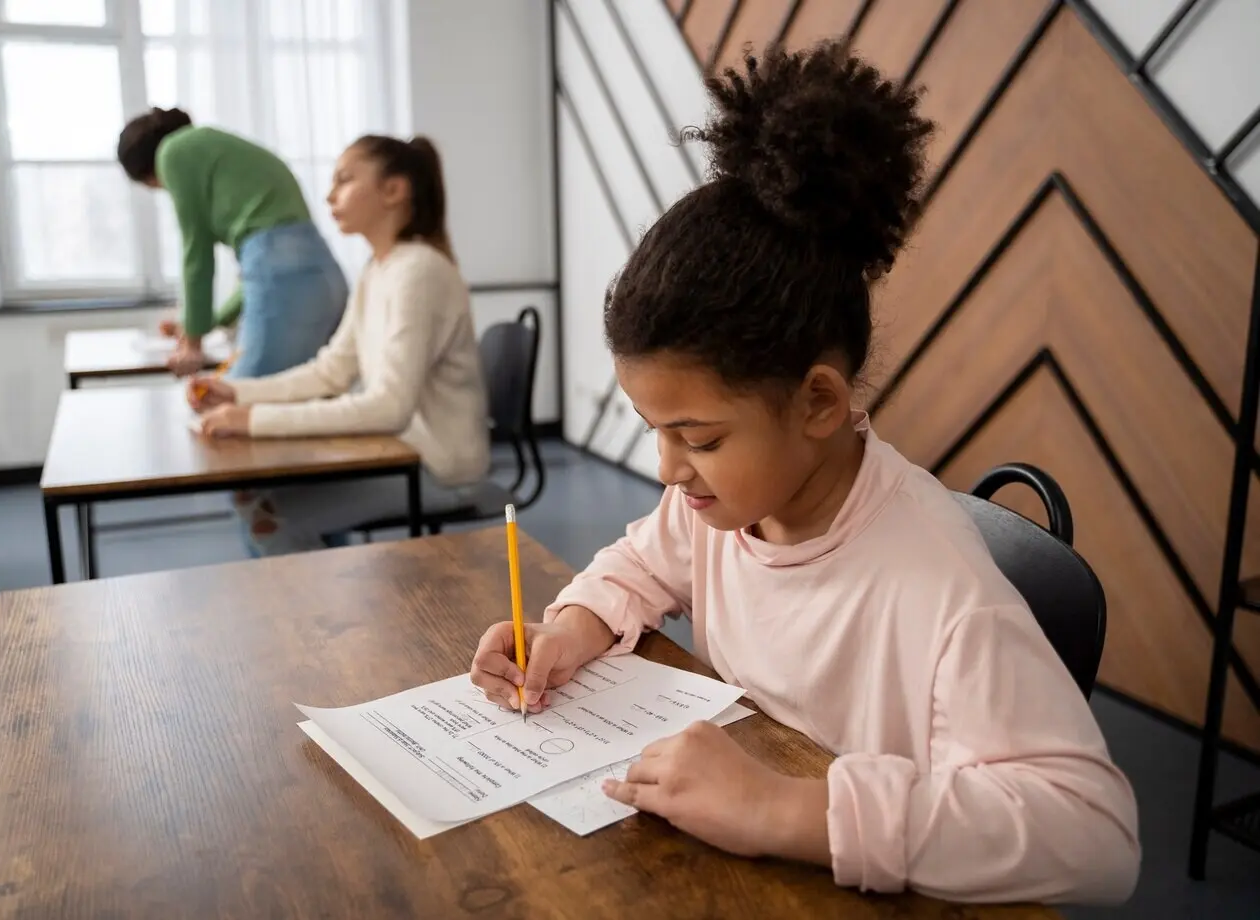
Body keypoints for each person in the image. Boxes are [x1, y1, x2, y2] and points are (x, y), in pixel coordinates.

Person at [468, 42, 1140, 906]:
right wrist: (568, 630)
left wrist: (789, 811)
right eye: (655, 431)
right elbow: (639, 563)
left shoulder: (941, 590)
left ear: (819, 401)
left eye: (699, 437)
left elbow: (1097, 837)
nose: (669, 469)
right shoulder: (721, 506)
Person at [185, 135, 490, 556]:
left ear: (394, 190)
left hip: (440, 468)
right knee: (254, 497)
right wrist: (238, 393)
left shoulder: (419, 272)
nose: (329, 195)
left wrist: (252, 419)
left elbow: (389, 406)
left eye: (344, 180)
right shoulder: (378, 269)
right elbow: (331, 369)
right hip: (399, 451)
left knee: (270, 514)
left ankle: (318, 619)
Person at [117, 108, 347, 379]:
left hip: (286, 282)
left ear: (149, 173)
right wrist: (205, 323)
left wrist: (193, 342)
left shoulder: (172, 152)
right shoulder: (221, 150)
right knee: (301, 398)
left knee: (233, 398)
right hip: (325, 279)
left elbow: (197, 252)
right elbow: (263, 272)